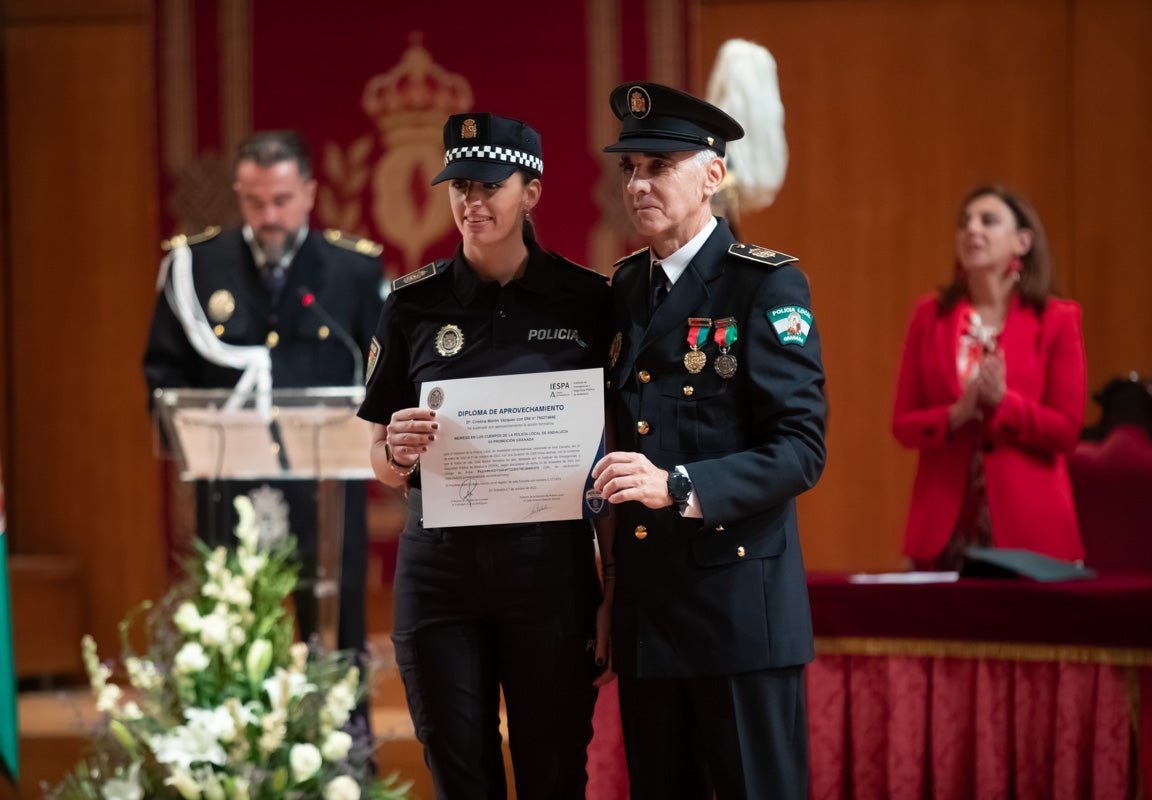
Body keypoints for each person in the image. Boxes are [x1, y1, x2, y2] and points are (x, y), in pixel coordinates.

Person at [357, 112, 611, 800]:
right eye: (459, 185)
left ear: (530, 191)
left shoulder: (589, 300)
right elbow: (377, 455)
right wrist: (396, 452)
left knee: (552, 771)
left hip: (549, 572)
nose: (471, 202)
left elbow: (619, 435)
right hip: (442, 575)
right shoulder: (412, 303)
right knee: (459, 772)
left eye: (489, 185)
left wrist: (613, 584)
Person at [590, 82, 827, 799]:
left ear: (712, 175)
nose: (638, 184)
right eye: (629, 169)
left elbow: (800, 447)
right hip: (647, 616)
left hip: (737, 616)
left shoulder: (766, 287)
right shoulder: (624, 290)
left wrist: (680, 484)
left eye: (658, 165)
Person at [142, 130, 383, 666]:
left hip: (325, 486)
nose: (268, 216)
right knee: (235, 628)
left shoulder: (353, 270)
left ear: (310, 193)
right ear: (238, 193)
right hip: (231, 482)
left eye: (281, 200)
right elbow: (163, 369)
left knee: (334, 628)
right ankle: (237, 745)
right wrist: (187, 439)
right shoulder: (196, 266)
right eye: (254, 201)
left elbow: (382, 369)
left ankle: (345, 743)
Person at [892, 185, 1086, 569]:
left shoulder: (1058, 319)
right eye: (965, 222)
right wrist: (956, 413)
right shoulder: (930, 315)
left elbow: (1067, 430)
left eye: (988, 221)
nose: (971, 230)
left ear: (1022, 242)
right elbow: (903, 425)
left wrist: (1004, 404)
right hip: (944, 531)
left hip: (1032, 530)